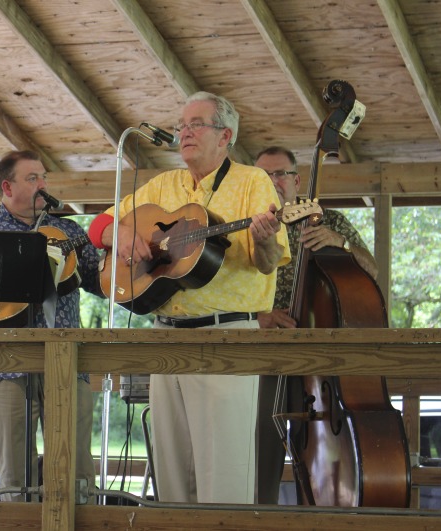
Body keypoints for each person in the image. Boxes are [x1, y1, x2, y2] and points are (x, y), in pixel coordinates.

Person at [87, 92, 291, 504]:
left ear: (225, 136)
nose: (184, 132)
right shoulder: (164, 185)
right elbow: (98, 227)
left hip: (228, 337)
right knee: (172, 471)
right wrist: (123, 234)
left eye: (196, 124)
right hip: (167, 338)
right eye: (182, 125)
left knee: (225, 472)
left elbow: (268, 264)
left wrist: (263, 237)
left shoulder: (253, 181)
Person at [0, 150, 101, 502]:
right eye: (32, 178)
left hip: (66, 360)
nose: (43, 185)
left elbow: (101, 284)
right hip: (2, 361)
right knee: (13, 474)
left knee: (75, 469)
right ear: (6, 187)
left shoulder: (69, 230)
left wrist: (118, 253)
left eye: (43, 177)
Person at [253, 145, 378, 504]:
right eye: (263, 175)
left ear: (296, 180)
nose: (272, 182)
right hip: (265, 356)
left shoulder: (330, 220)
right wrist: (259, 318)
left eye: (279, 174)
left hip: (321, 362)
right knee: (262, 450)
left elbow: (374, 273)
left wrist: (341, 244)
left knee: (331, 453)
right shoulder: (250, 226)